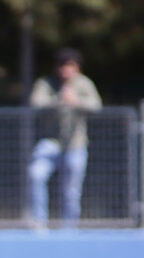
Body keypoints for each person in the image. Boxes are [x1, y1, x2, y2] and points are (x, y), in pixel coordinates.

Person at [27, 48, 102, 229]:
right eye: (62, 65)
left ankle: (69, 227)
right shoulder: (46, 83)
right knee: (35, 174)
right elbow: (36, 103)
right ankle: (39, 224)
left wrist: (76, 102)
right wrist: (59, 101)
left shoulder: (84, 84)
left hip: (76, 144)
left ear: (77, 68)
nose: (66, 70)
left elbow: (96, 106)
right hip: (50, 143)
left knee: (71, 190)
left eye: (70, 66)